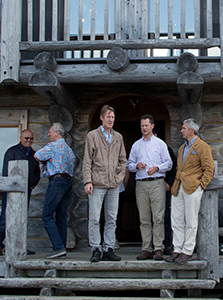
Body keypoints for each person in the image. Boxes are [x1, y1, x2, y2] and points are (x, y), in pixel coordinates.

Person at [82, 105, 127, 262]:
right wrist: (88, 181)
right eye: (108, 117)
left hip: (113, 184)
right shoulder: (92, 136)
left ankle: (108, 247)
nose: (110, 120)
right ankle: (96, 248)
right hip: (97, 183)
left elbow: (123, 160)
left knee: (111, 217)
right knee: (94, 217)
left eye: (113, 117)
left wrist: (118, 178)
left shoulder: (118, 137)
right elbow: (87, 160)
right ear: (101, 118)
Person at [127, 114, 173, 260]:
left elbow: (169, 163)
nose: (144, 128)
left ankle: (158, 247)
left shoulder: (160, 144)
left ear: (152, 126)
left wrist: (157, 168)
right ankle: (146, 248)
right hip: (141, 183)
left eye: (146, 125)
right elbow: (129, 164)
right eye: (142, 125)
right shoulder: (136, 145)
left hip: (157, 182)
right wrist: (136, 165)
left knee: (158, 217)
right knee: (144, 218)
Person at [170, 118, 214, 264]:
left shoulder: (203, 147)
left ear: (191, 130)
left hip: (192, 188)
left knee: (191, 220)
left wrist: (201, 186)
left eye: (183, 128)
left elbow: (209, 169)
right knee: (176, 219)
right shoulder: (182, 148)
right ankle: (177, 249)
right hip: (179, 187)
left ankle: (187, 251)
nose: (181, 131)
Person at [0, 129, 40, 256]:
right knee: (5, 217)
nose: (29, 140)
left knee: (22, 219)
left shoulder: (34, 155)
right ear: (20, 138)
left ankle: (21, 246)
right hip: (10, 192)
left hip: (26, 192)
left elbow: (37, 173)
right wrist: (10, 187)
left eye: (31, 138)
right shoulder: (12, 151)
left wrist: (32, 185)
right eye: (26, 138)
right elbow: (5, 172)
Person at [35, 122, 76, 259]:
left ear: (57, 133)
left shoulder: (53, 146)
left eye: (50, 132)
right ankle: (62, 248)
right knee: (61, 217)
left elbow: (37, 155)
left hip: (56, 181)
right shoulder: (69, 149)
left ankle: (58, 247)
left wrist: (44, 164)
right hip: (68, 182)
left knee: (47, 215)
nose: (48, 134)